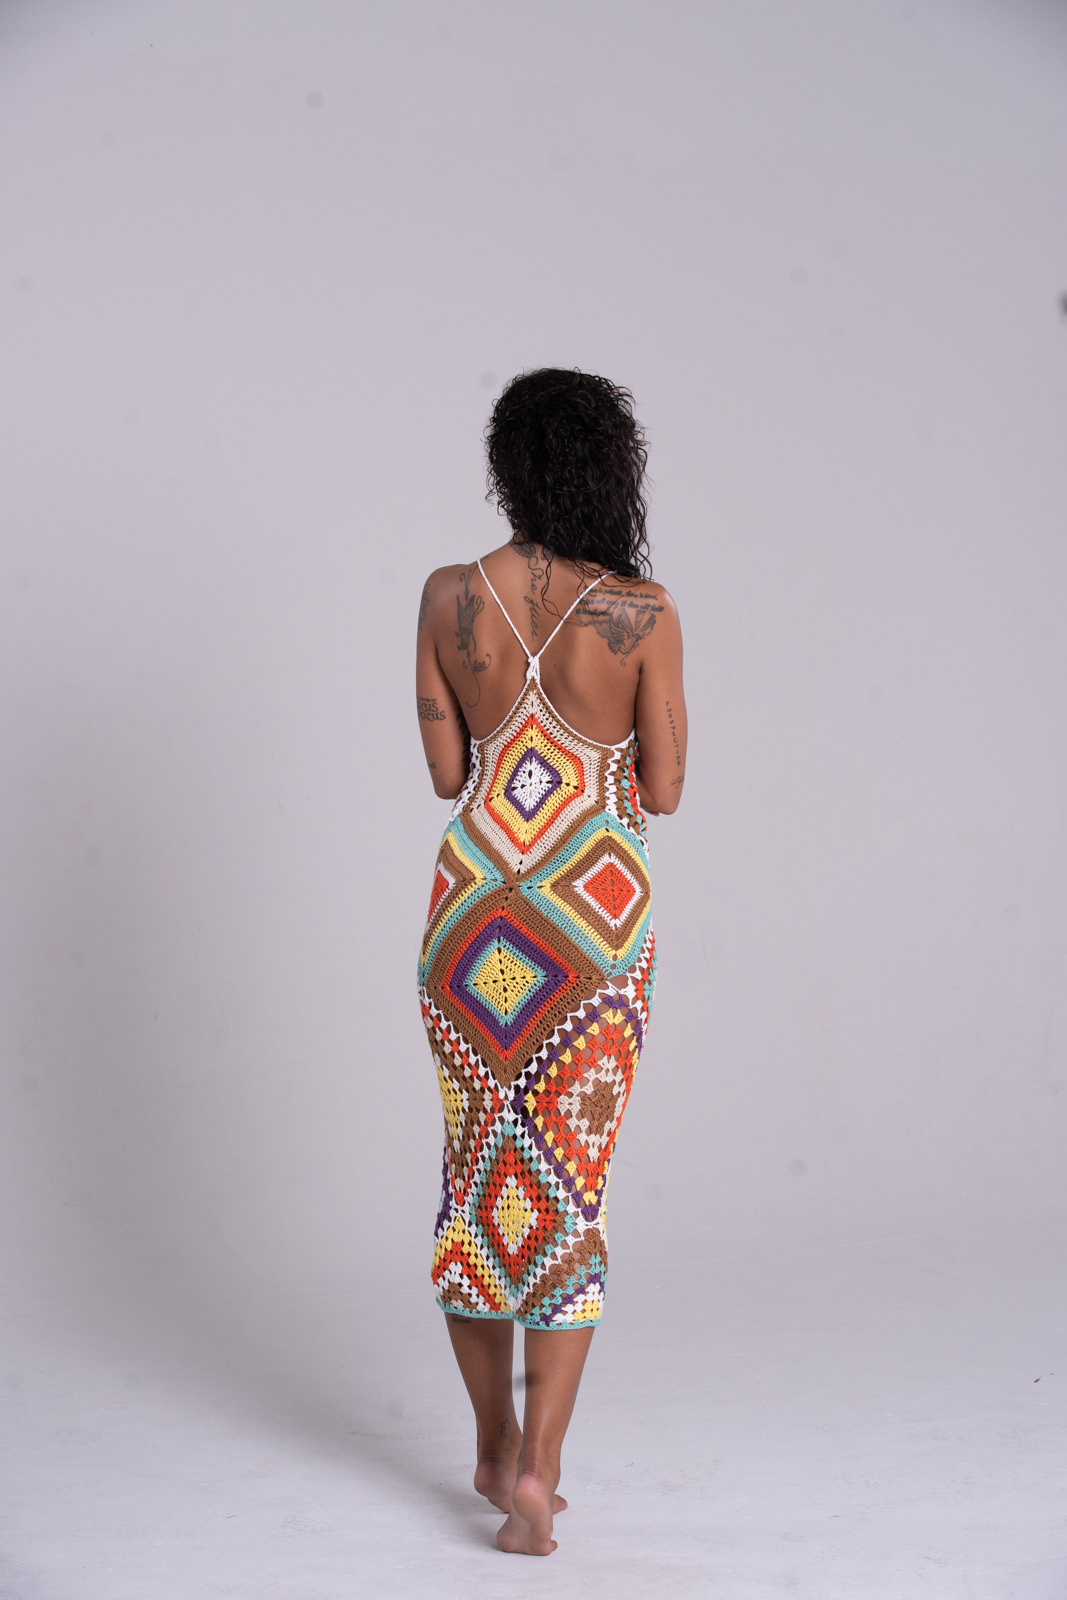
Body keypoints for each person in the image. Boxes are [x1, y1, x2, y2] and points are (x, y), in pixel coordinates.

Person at [414, 367, 687, 1555]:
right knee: (568, 1180)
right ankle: (538, 1470)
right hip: (588, 922)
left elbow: (445, 773)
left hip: (471, 915)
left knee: (477, 1178)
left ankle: (487, 1446)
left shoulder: (445, 596)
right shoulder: (642, 611)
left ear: (506, 468)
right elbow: (664, 788)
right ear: (606, 469)